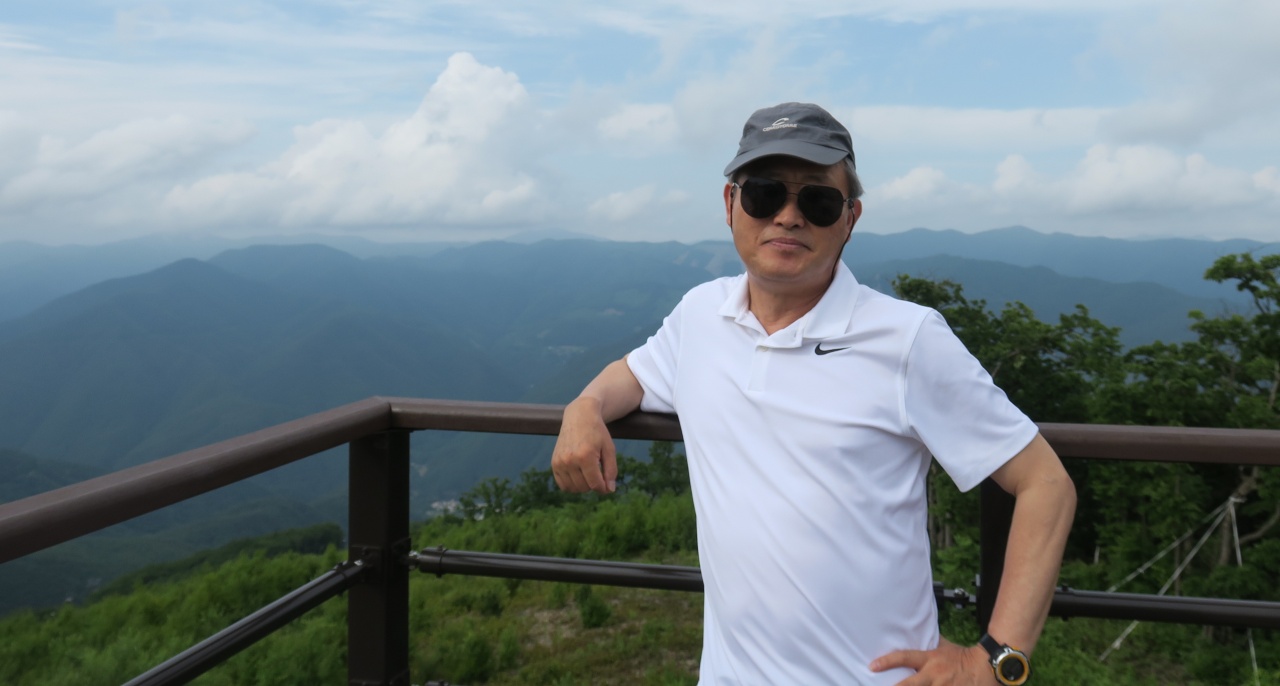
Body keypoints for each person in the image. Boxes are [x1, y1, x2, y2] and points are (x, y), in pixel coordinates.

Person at [551, 102, 1076, 685]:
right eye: (765, 194)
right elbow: (634, 373)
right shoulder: (701, 315)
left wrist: (996, 659)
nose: (788, 216)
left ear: (849, 219)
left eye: (818, 201)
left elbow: (1045, 483)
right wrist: (585, 406)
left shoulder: (908, 338)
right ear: (730, 204)